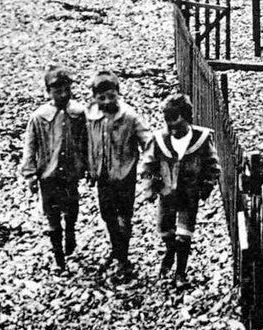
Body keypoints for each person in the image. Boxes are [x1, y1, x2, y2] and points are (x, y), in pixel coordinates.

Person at [140, 93, 221, 283]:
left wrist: (207, 185)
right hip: (166, 194)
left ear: (187, 117)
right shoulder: (159, 140)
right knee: (164, 230)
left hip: (189, 194)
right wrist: (152, 186)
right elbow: (147, 167)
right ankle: (170, 251)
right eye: (167, 119)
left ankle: (181, 272)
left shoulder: (201, 139)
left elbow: (213, 166)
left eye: (175, 118)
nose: (171, 125)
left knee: (184, 234)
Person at [19, 65, 88, 273]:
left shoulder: (78, 113)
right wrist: (30, 174)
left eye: (67, 89)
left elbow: (87, 142)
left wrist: (88, 167)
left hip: (70, 174)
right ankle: (58, 258)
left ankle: (71, 233)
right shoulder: (39, 117)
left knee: (72, 209)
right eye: (58, 90)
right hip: (48, 175)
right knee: (52, 216)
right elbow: (30, 146)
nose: (63, 94)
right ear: (48, 92)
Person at [85, 71, 151, 281]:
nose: (106, 101)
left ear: (119, 94)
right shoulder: (92, 116)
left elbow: (147, 140)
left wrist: (149, 167)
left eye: (111, 96)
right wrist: (89, 167)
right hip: (103, 175)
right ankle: (116, 249)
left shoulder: (129, 117)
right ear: (94, 97)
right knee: (108, 214)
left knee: (124, 215)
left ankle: (123, 257)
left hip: (124, 174)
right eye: (101, 97)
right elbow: (87, 142)